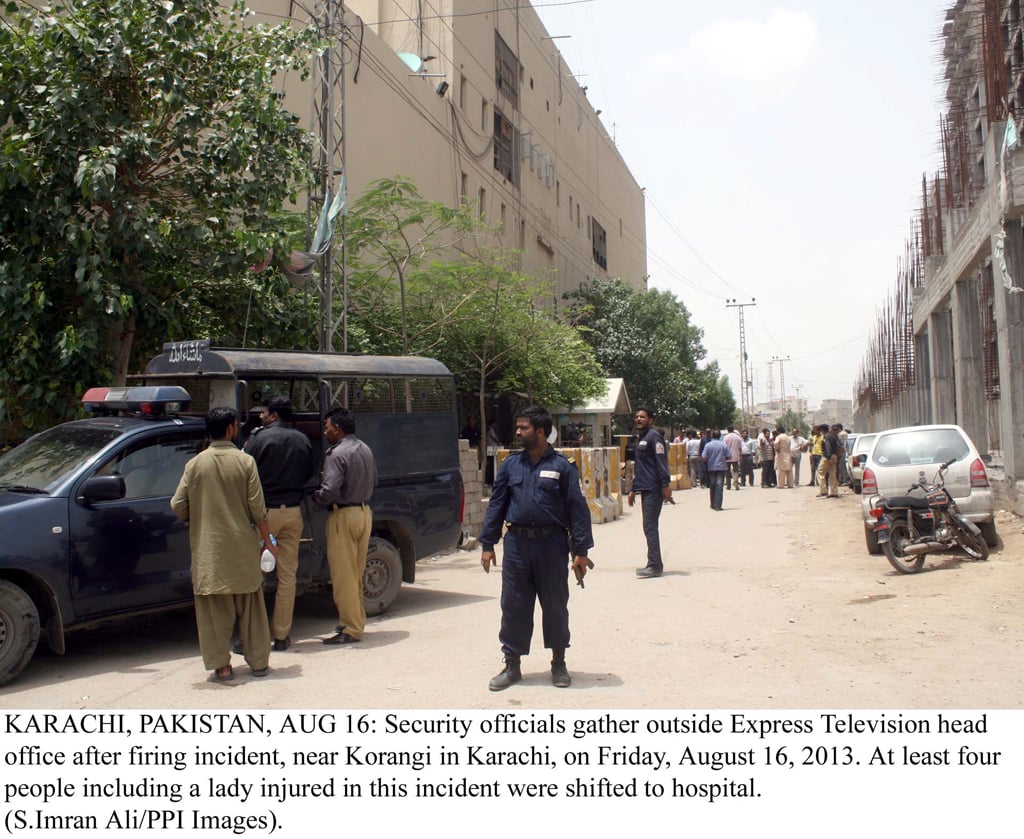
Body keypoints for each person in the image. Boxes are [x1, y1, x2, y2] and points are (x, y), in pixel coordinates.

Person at [479, 405, 593, 690]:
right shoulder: (510, 465)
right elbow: (497, 505)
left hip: (551, 545)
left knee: (555, 605)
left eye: (524, 428)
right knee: (514, 605)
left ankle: (558, 662)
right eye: (518, 427)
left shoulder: (562, 467)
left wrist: (581, 552)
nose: (518, 432)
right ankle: (512, 665)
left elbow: (578, 510)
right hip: (517, 545)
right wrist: (488, 543)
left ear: (540, 432)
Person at [170, 407, 277, 682]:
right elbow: (258, 509)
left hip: (210, 552)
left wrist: (197, 516)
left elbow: (177, 504)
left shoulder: (195, 465)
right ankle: (259, 663)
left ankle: (222, 667)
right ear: (231, 428)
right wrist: (268, 542)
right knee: (252, 608)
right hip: (242, 549)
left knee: (214, 614)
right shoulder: (245, 462)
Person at [244, 395, 315, 651]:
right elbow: (309, 472)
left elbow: (245, 470)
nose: (260, 416)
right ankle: (282, 636)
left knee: (254, 574)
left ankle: (250, 635)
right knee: (287, 576)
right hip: (293, 513)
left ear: (273, 415)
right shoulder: (302, 439)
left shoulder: (259, 438)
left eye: (263, 412)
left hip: (265, 515)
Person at [314, 407, 378, 645]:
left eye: (328, 427)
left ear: (338, 429)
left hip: (343, 516)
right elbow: (376, 479)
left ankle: (350, 628)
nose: (325, 431)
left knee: (344, 577)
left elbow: (330, 490)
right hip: (364, 512)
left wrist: (317, 496)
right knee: (356, 573)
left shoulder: (336, 454)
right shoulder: (365, 449)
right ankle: (356, 621)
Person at [628, 406, 673, 578]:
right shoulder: (640, 439)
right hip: (645, 488)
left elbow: (661, 462)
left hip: (654, 488)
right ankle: (653, 563)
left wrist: (665, 484)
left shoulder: (655, 437)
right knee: (649, 527)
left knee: (650, 527)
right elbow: (641, 467)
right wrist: (633, 489)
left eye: (643, 417)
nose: (638, 419)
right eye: (637, 417)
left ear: (651, 420)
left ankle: (654, 565)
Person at [701, 429, 728, 511]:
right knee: (719, 486)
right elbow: (729, 456)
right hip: (721, 468)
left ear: (712, 435)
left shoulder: (708, 445)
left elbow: (704, 457)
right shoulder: (723, 445)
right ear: (720, 436)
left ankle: (712, 504)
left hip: (711, 467)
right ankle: (718, 505)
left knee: (712, 485)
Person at [817, 424, 841, 498]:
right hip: (834, 456)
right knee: (832, 474)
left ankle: (823, 491)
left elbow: (827, 446)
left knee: (820, 472)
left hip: (828, 457)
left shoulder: (826, 436)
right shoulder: (834, 436)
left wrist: (828, 456)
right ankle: (834, 492)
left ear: (822, 430)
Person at [722, 426, 743, 491]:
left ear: (728, 430)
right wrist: (740, 455)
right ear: (733, 430)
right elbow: (740, 447)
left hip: (727, 456)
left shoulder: (725, 437)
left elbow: (724, 447)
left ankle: (728, 485)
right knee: (736, 470)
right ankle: (735, 480)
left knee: (727, 471)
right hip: (735, 456)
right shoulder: (737, 437)